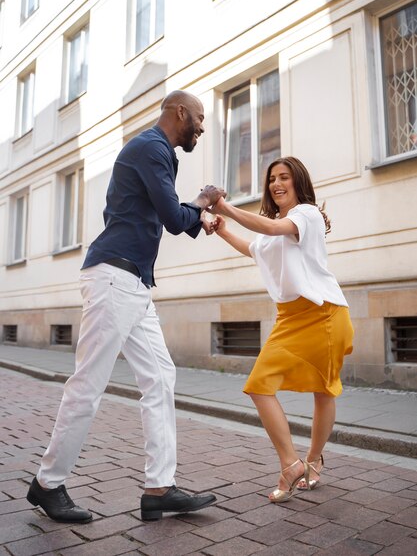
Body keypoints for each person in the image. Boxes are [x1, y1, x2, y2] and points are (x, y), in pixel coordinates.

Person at [27, 90, 224, 523]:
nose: (202, 127)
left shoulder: (156, 152)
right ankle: (47, 483)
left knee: (160, 377)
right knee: (88, 386)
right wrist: (204, 201)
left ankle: (159, 488)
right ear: (179, 112)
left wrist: (200, 217)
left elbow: (162, 215)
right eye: (199, 117)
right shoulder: (150, 147)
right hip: (114, 279)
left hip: (133, 282)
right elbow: (174, 218)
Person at [209, 156, 353, 503]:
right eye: (272, 178)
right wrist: (222, 229)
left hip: (323, 314)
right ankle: (291, 463)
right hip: (290, 318)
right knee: (259, 385)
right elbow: (254, 247)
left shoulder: (306, 214)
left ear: (297, 182)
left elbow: (271, 230)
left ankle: (313, 459)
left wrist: (225, 207)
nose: (276, 184)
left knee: (324, 389)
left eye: (284, 177)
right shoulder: (275, 224)